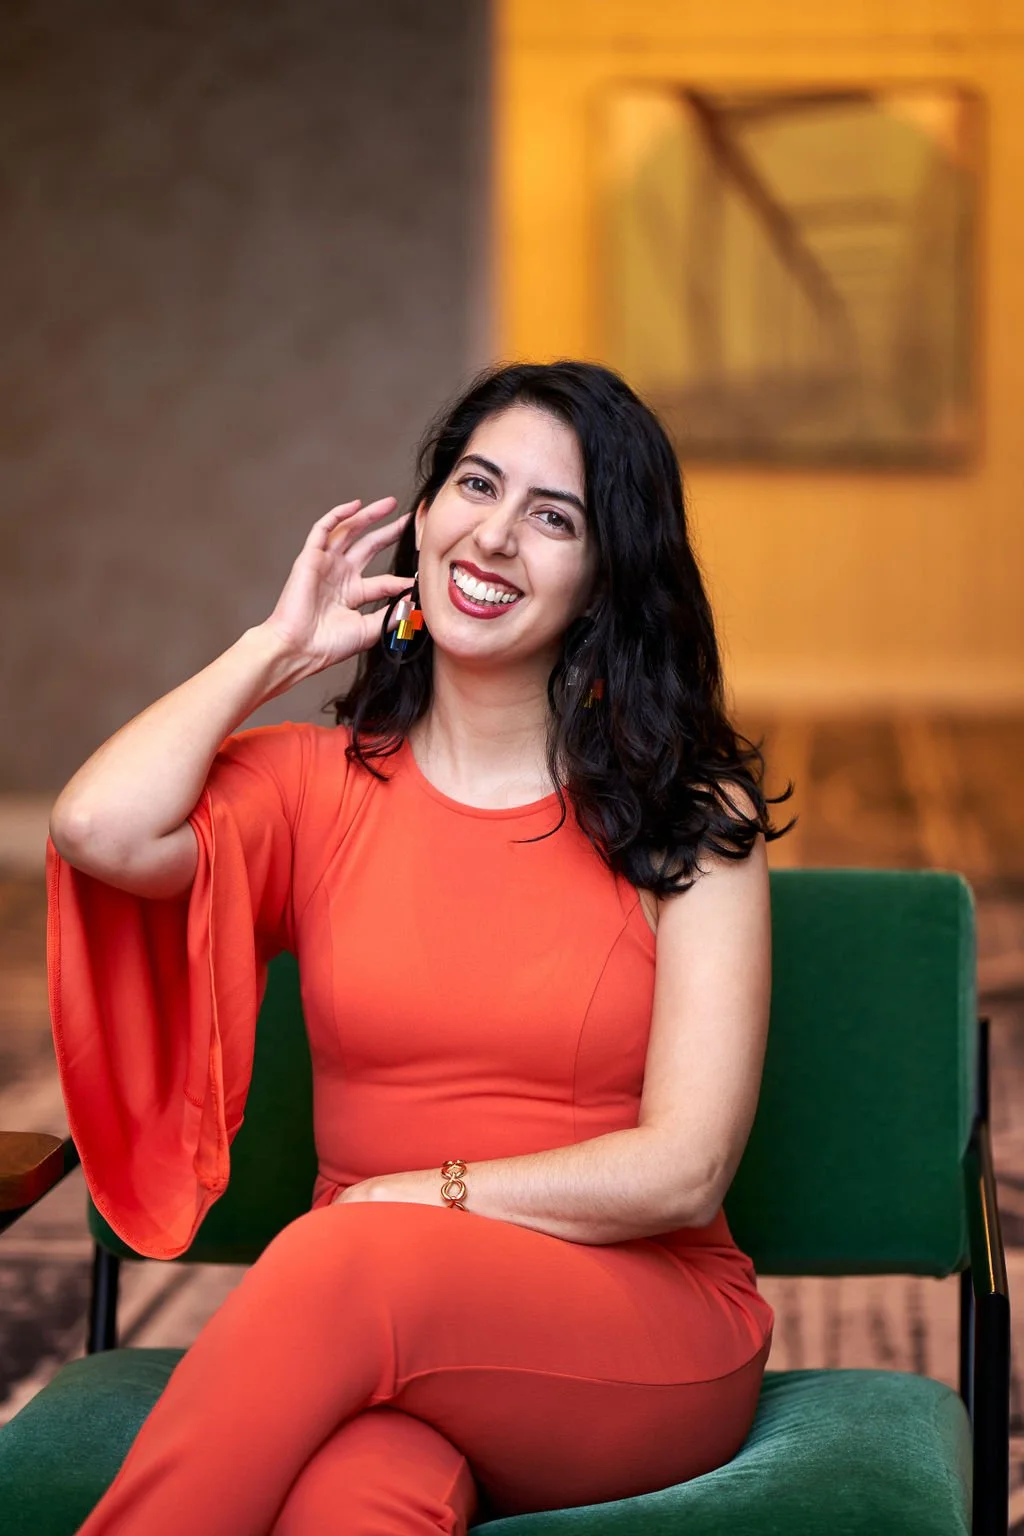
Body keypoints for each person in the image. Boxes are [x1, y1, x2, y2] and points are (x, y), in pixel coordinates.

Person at [47, 360, 794, 1534]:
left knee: (344, 1264)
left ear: (605, 579)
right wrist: (275, 649)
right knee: (358, 1498)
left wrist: (416, 1198)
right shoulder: (313, 788)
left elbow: (683, 1168)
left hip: (636, 1326)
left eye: (553, 518)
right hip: (373, 1325)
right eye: (474, 486)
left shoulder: (690, 818)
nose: (494, 537)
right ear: (429, 509)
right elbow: (97, 829)